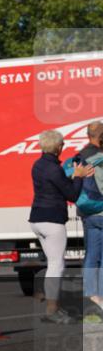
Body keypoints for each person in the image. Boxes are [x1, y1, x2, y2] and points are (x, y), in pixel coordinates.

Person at [30, 129, 95, 324]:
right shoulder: (54, 169)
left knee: (53, 264)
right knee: (57, 265)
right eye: (62, 145)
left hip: (36, 219)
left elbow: (55, 187)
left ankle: (49, 299)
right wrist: (78, 176)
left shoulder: (38, 165)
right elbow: (72, 195)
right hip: (52, 220)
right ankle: (52, 309)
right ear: (58, 147)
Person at [71, 121, 103, 318]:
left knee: (92, 252)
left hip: (86, 211)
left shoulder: (80, 155)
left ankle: (92, 294)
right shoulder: (100, 156)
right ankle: (98, 294)